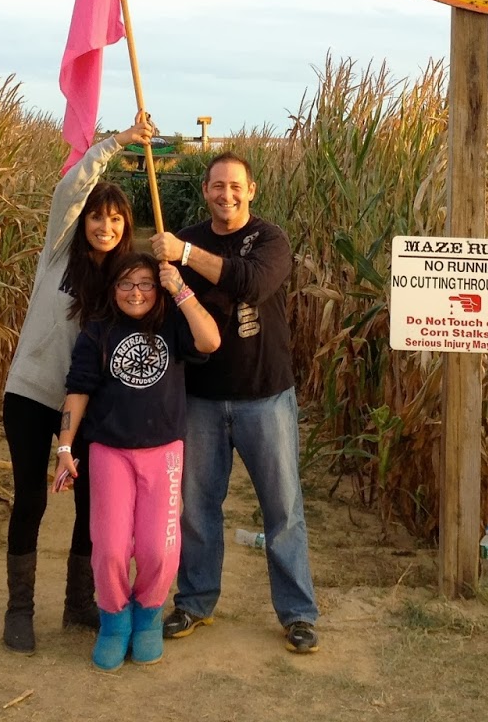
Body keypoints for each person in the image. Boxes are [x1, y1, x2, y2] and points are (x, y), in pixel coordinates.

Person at [149, 152, 320, 655]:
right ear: (205, 190)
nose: (227, 194)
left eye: (236, 186)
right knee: (198, 508)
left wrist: (184, 254)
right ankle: (195, 601)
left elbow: (252, 283)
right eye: (218, 186)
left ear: (252, 190)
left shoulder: (270, 240)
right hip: (201, 397)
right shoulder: (183, 238)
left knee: (283, 510)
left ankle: (298, 614)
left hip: (265, 395)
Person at [1, 114, 154, 655]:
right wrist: (117, 143)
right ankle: (19, 610)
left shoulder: (124, 279)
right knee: (31, 499)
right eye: (96, 216)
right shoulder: (58, 251)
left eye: (114, 219)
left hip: (86, 405)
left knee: (93, 503)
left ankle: (78, 602)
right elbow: (70, 188)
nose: (103, 226)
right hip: (31, 392)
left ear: (125, 226)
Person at [52, 251, 221, 672]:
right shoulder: (97, 332)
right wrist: (65, 448)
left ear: (157, 288)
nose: (135, 293)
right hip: (109, 452)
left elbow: (210, 341)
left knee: (158, 548)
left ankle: (148, 614)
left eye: (145, 283)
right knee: (110, 548)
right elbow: (77, 390)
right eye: (125, 283)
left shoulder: (172, 324)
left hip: (164, 453)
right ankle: (114, 619)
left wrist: (179, 289)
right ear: (113, 289)